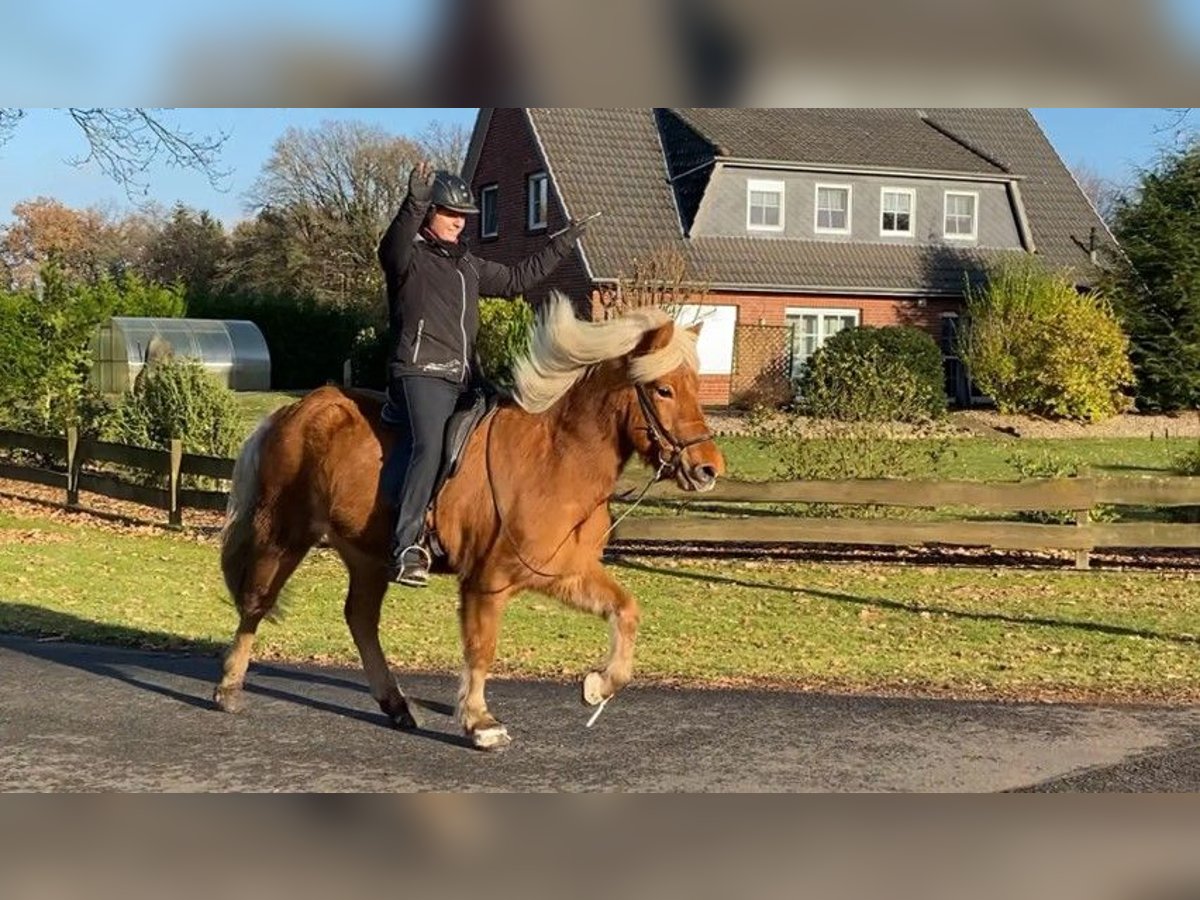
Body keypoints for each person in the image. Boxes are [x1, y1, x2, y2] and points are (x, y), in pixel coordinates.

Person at [377, 161, 589, 587]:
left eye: (464, 217)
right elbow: (392, 247)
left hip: (463, 377)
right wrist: (413, 203)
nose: (458, 222)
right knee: (431, 444)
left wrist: (563, 244)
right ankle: (407, 547)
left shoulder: (469, 265)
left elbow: (515, 280)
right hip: (420, 371)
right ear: (430, 215)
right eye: (450, 214)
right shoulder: (409, 260)